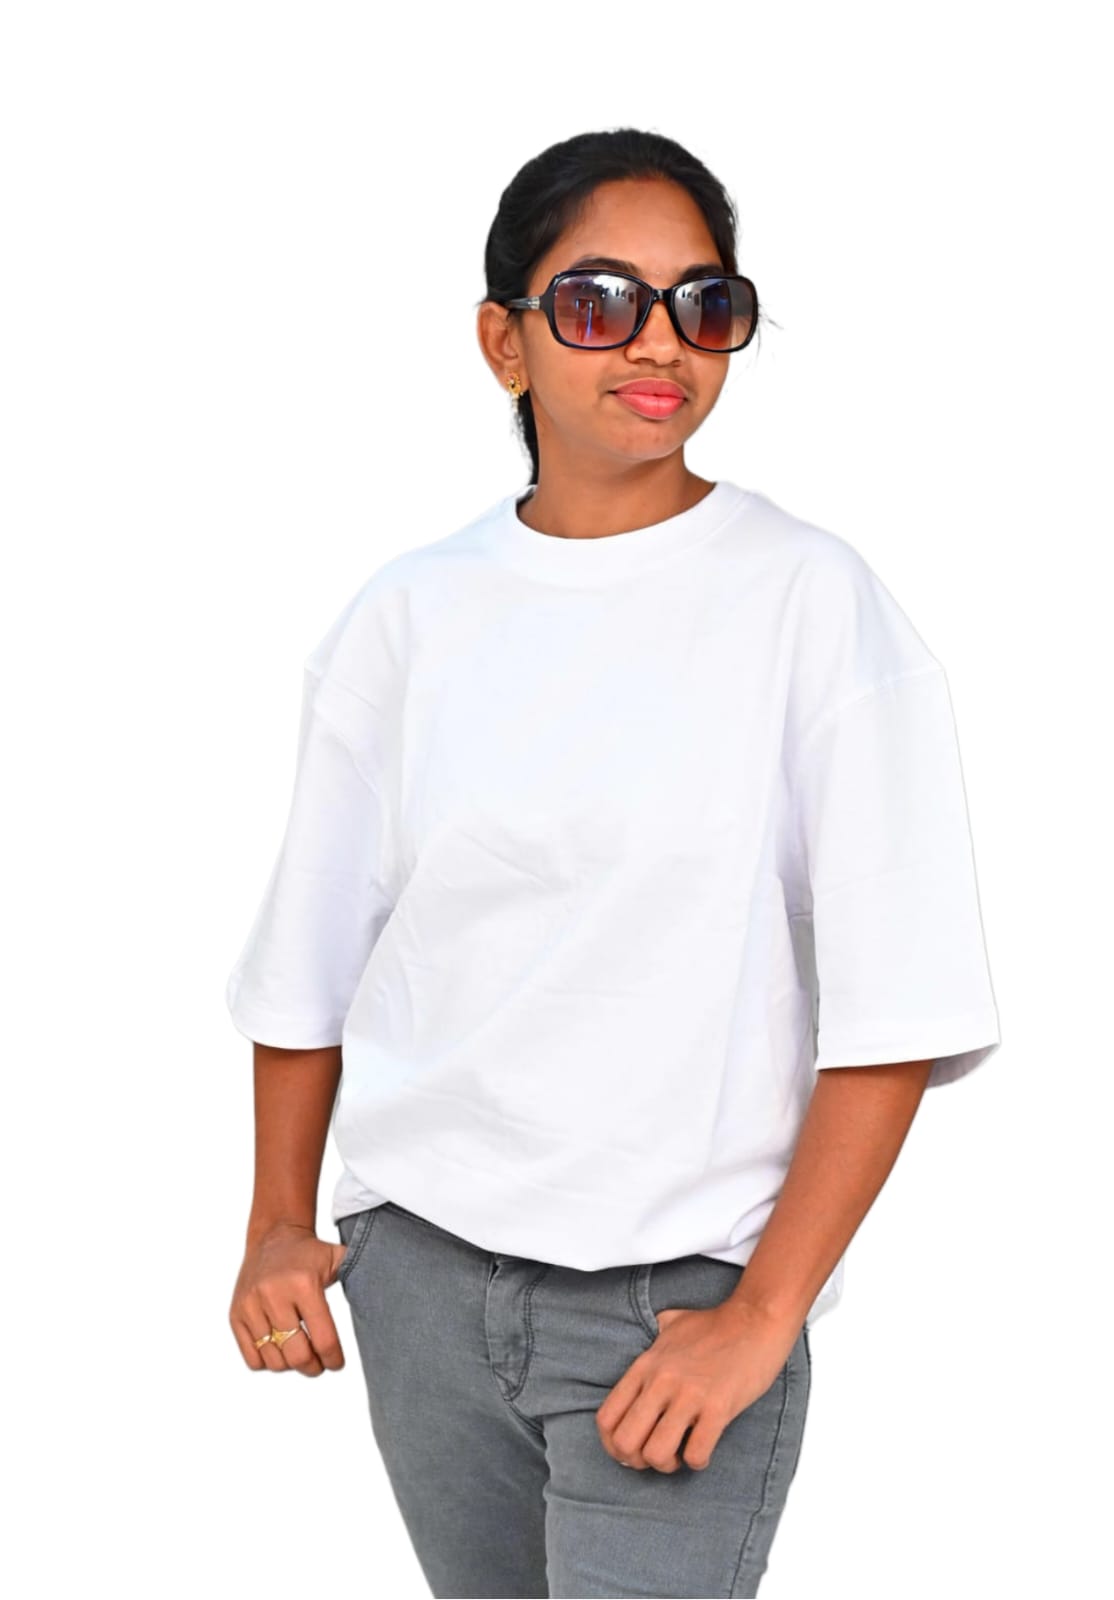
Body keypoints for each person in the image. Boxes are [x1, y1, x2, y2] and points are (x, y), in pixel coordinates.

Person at [225, 127, 1001, 1599]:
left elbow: (899, 1010)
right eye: (597, 301)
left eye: (704, 305)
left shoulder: (811, 605)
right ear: (501, 342)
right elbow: (309, 963)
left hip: (674, 1312)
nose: (659, 343)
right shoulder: (408, 617)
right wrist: (278, 1224)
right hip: (423, 1281)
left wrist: (761, 1315)